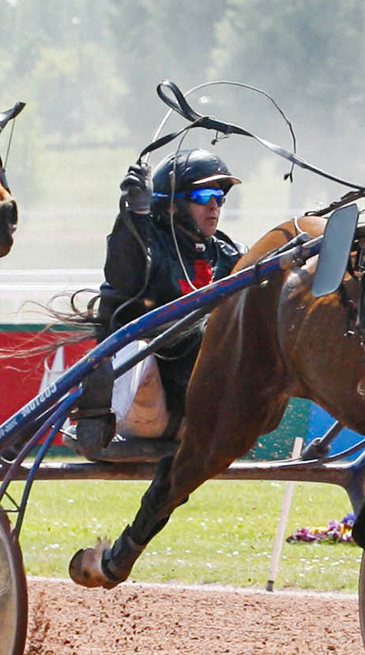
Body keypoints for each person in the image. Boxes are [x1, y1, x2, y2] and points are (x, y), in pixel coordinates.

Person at [71, 149, 245, 452]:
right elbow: (127, 275)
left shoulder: (229, 253)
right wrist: (134, 215)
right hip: (150, 399)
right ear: (172, 205)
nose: (214, 206)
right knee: (136, 345)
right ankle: (95, 419)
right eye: (204, 196)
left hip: (200, 402)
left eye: (219, 196)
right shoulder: (146, 240)